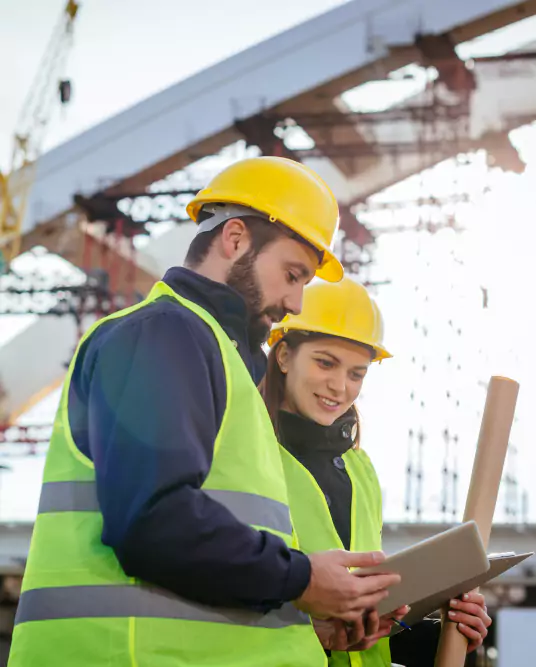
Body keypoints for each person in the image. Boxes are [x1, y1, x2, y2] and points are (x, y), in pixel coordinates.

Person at [8, 157, 401, 667]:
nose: (297, 302)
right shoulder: (163, 335)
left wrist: (313, 623)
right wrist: (303, 578)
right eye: (292, 274)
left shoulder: (224, 362)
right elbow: (154, 521)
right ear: (235, 239)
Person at [262, 276, 492, 667]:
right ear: (283, 356)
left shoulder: (360, 469)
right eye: (325, 362)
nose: (340, 386)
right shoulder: (251, 454)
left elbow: (368, 631)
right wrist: (317, 634)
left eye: (357, 373)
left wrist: (447, 633)